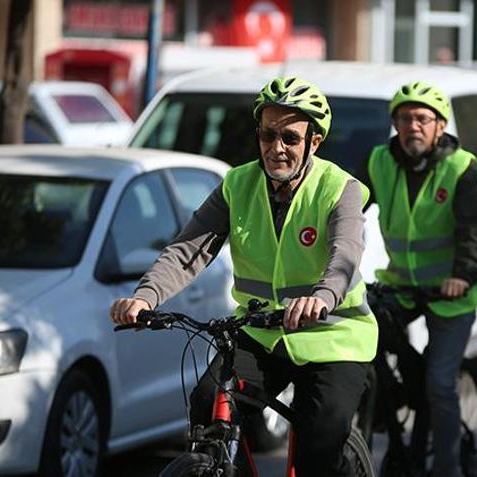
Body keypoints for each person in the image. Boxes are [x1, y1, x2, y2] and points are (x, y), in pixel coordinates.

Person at [110, 76, 377, 477]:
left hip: (333, 337)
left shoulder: (339, 189)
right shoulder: (237, 184)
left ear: (314, 142)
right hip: (263, 333)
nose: (277, 148)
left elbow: (346, 254)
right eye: (268, 135)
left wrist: (322, 296)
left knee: (318, 444)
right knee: (208, 403)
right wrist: (146, 297)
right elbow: (188, 250)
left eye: (290, 137)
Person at [356, 81, 477, 477]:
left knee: (440, 384)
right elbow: (349, 209)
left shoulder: (460, 168)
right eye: (404, 118)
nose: (412, 126)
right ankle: (396, 402)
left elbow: (474, 230)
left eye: (421, 118)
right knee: (363, 346)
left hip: (450, 291)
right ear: (395, 124)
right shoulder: (380, 161)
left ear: (440, 125)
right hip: (401, 285)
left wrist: (462, 275)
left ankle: (446, 470)